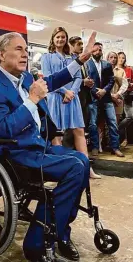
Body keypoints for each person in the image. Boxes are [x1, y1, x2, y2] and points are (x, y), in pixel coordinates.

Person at [0, 31, 98, 262]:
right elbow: (2, 130)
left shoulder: (24, 79)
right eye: (19, 49)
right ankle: (36, 242)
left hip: (36, 147)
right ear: (1, 55)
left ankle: (60, 231)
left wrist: (80, 60)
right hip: (15, 155)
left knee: (82, 160)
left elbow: (52, 81)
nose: (26, 54)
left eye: (26, 49)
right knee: (74, 166)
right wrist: (31, 100)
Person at [41, 29, 101, 179]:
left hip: (72, 99)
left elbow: (78, 77)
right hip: (55, 98)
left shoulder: (72, 57)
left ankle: (87, 168)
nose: (60, 39)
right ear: (53, 39)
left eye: (63, 37)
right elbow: (49, 78)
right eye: (57, 37)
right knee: (57, 134)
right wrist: (64, 92)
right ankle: (61, 168)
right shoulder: (46, 57)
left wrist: (72, 92)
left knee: (79, 131)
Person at [86, 42, 124, 157]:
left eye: (100, 50)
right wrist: (96, 92)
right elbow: (86, 81)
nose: (98, 52)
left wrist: (104, 91)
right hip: (93, 98)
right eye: (96, 49)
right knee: (92, 124)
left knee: (112, 123)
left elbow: (111, 80)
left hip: (106, 98)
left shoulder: (107, 64)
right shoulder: (87, 64)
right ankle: (94, 147)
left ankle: (115, 147)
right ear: (92, 51)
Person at [117, 52, 133, 148]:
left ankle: (117, 129)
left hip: (128, 95)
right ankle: (122, 139)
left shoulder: (128, 69)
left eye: (123, 58)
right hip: (117, 95)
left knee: (130, 116)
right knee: (119, 117)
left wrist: (131, 84)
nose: (121, 59)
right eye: (119, 57)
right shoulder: (114, 69)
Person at [106, 51, 128, 129]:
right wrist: (111, 96)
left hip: (118, 99)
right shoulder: (103, 69)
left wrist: (117, 94)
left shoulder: (121, 71)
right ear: (107, 58)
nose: (113, 59)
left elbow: (125, 84)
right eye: (111, 57)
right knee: (105, 122)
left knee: (115, 123)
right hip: (106, 98)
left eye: (115, 57)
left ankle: (114, 140)